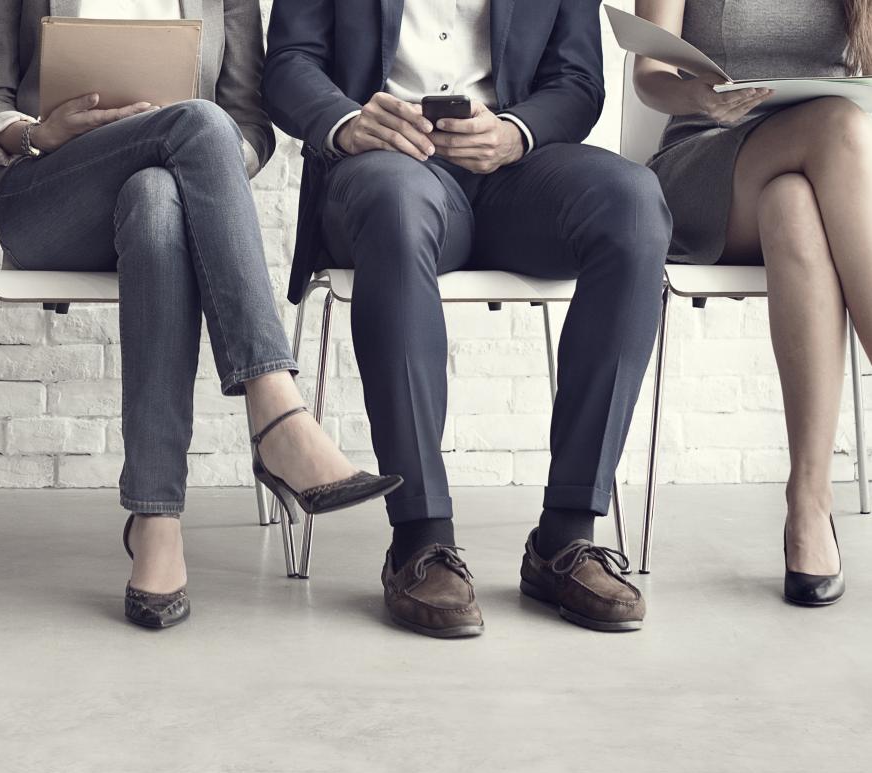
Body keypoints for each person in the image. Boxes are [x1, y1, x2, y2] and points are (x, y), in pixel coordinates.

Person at [0, 0, 402, 630]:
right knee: (199, 122)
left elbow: (251, 128)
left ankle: (156, 519)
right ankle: (276, 410)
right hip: (48, 196)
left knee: (157, 198)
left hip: (169, 199)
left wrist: (206, 166)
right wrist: (37, 132)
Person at [263, 0, 671, 637]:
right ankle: (420, 540)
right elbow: (288, 63)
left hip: (515, 177)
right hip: (385, 171)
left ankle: (566, 535)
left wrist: (515, 132)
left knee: (632, 205)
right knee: (398, 207)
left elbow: (577, 81)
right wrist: (347, 122)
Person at [635, 0, 868, 607]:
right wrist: (701, 98)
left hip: (828, 176)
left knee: (792, 203)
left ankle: (809, 506)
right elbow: (649, 75)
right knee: (840, 124)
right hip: (709, 157)